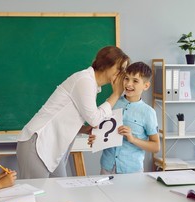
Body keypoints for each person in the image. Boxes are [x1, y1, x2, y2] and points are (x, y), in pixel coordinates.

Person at [16, 45, 130, 179]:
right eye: (119, 69)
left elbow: (65, 117)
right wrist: (116, 94)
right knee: (37, 196)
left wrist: (85, 129)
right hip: (38, 143)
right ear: (106, 65)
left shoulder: (91, 84)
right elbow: (94, 118)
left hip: (53, 147)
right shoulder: (85, 80)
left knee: (60, 192)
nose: (122, 74)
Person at [89, 62, 160, 174]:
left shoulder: (148, 112)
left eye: (135, 81)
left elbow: (156, 146)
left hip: (131, 170)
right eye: (126, 79)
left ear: (146, 86)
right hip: (107, 166)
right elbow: (100, 127)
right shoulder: (112, 102)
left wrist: (133, 139)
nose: (128, 84)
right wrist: (96, 138)